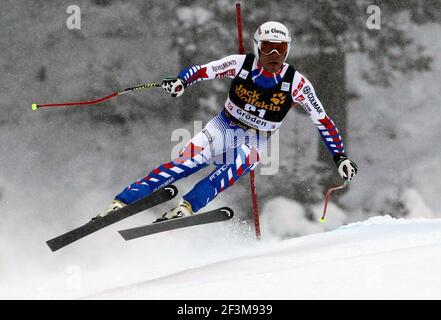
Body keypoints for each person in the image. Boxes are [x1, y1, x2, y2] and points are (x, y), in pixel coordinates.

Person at [94, 21, 358, 221]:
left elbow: (323, 121)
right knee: (186, 163)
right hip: (223, 126)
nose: (274, 54)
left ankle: (187, 207)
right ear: (258, 47)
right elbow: (203, 70)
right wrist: (181, 81)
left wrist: (340, 157)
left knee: (236, 165)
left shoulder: (296, 83)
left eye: (281, 49)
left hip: (256, 137)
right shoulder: (241, 64)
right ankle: (122, 202)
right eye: (268, 48)